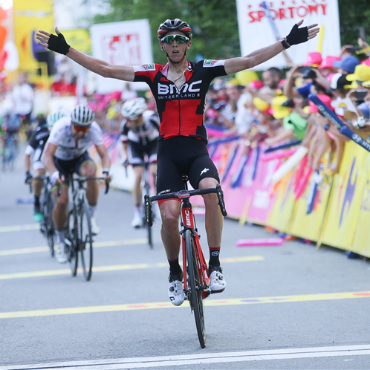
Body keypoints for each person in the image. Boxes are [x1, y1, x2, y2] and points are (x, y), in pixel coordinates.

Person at [36, 18, 319, 304]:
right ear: (162, 45)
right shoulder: (152, 73)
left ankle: (216, 265)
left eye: (179, 39)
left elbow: (247, 61)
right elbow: (107, 70)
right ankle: (174, 273)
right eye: (169, 40)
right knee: (169, 216)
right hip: (168, 153)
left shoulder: (204, 70)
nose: (174, 45)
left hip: (196, 150)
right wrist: (67, 50)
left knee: (210, 191)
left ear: (187, 43)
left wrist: (286, 42)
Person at [41, 105, 111, 263]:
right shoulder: (61, 127)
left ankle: (91, 215)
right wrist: (54, 174)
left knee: (92, 173)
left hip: (79, 159)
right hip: (59, 163)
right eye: (78, 128)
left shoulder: (93, 128)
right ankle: (59, 240)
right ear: (72, 123)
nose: (80, 133)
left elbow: (104, 155)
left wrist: (106, 171)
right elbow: (46, 156)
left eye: (84, 130)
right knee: (62, 200)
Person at [120, 97, 159, 228]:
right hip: (136, 147)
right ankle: (137, 213)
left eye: (130, 119)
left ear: (139, 116)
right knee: (138, 175)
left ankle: (158, 202)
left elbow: (164, 135)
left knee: (154, 170)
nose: (128, 122)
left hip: (153, 145)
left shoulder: (151, 118)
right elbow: (124, 146)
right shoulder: (125, 125)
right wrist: (125, 158)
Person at [24, 112, 66, 221]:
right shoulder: (40, 132)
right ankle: (37, 203)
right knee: (39, 175)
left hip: (57, 158)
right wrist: (27, 172)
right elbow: (27, 154)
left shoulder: (66, 132)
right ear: (48, 126)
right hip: (41, 158)